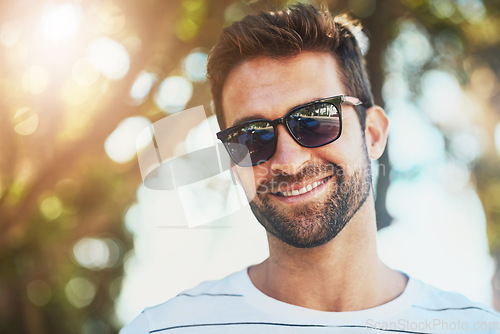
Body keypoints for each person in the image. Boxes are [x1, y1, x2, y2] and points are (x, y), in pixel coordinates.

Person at [121, 3, 500, 333]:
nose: (288, 161)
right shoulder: (165, 329)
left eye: (316, 119)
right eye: (252, 136)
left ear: (373, 133)